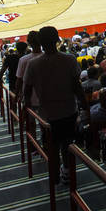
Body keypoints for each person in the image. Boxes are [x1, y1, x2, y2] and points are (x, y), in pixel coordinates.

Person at [22, 26, 90, 184]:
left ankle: (54, 176)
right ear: (57, 39)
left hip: (46, 115)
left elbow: (26, 90)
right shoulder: (69, 59)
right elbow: (77, 87)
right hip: (69, 111)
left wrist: (27, 109)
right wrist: (85, 108)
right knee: (67, 144)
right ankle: (67, 172)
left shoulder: (33, 64)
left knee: (51, 146)